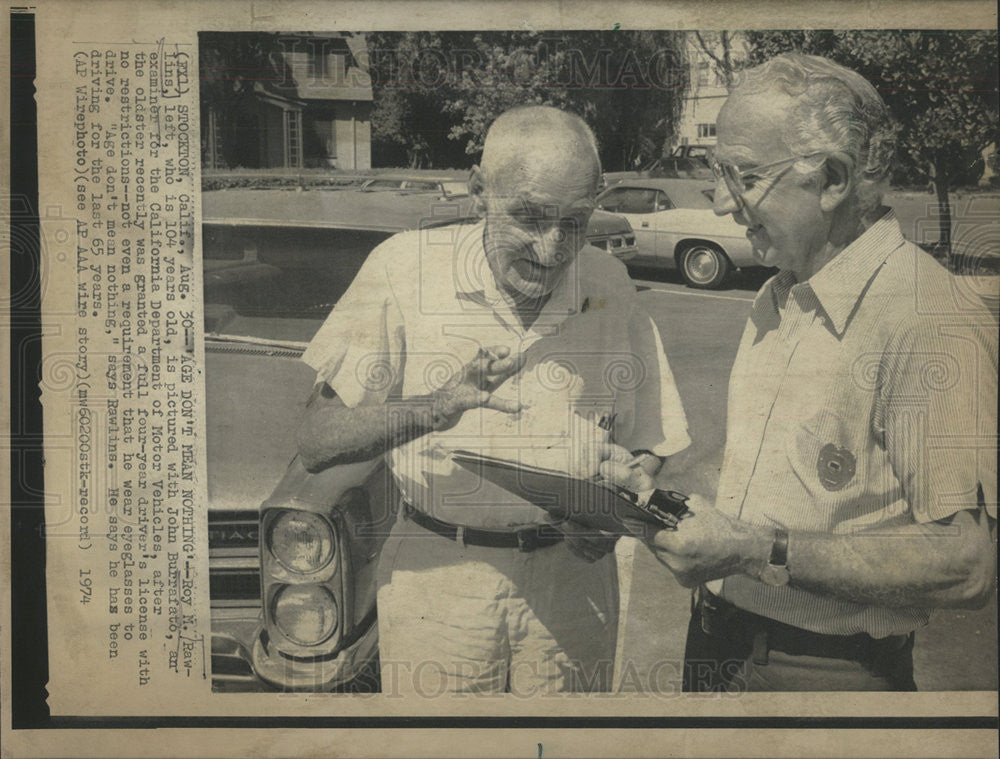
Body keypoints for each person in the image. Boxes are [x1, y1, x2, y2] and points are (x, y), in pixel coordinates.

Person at [601, 53, 997, 692]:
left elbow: (967, 564)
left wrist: (758, 551)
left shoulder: (930, 319)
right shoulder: (782, 292)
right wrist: (649, 480)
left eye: (745, 176)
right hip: (717, 641)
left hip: (821, 674)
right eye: (717, 173)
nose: (725, 204)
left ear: (833, 179)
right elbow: (769, 464)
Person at [297, 106, 690, 695]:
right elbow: (317, 440)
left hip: (574, 586)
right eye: (528, 216)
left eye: (575, 222)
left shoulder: (607, 280)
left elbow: (650, 440)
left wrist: (610, 516)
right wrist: (438, 405)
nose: (553, 248)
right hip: (439, 582)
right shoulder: (403, 268)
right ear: (479, 190)